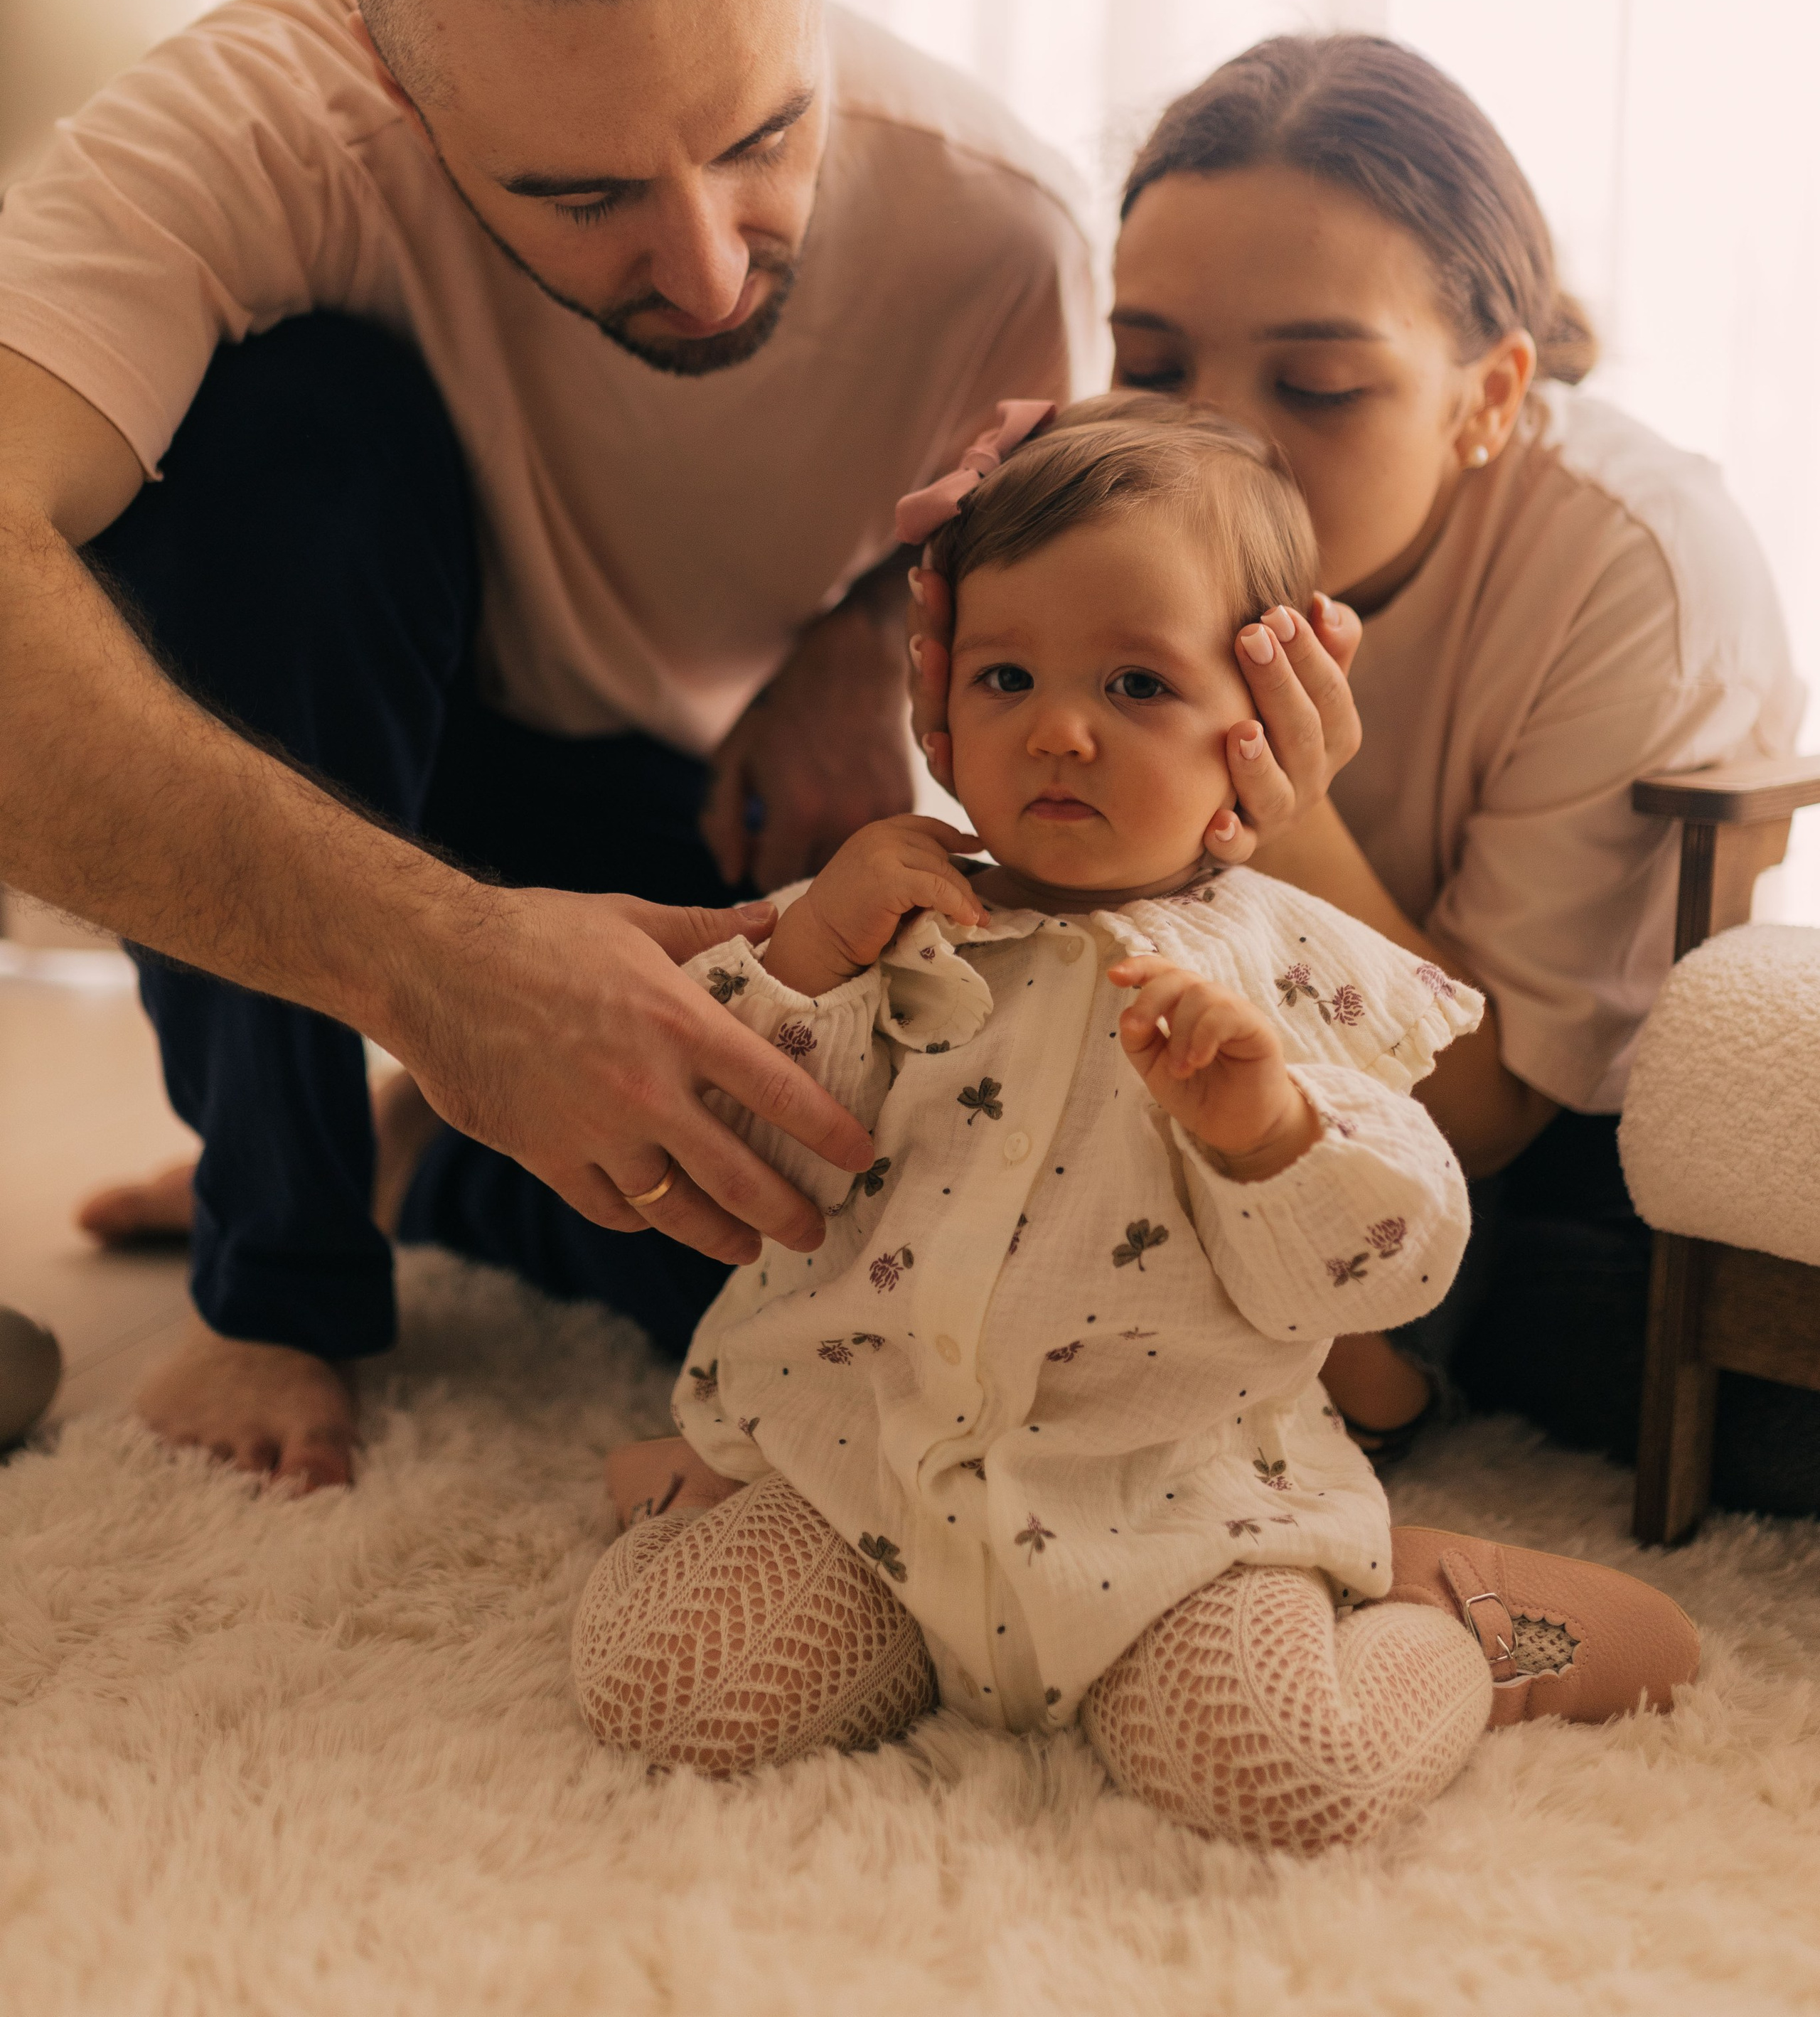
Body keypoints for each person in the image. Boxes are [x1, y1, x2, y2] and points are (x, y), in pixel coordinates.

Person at [0, 0, 1116, 1489]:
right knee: (288, 446)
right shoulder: (246, 126)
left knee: (833, 1269)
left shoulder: (1002, 227)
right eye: (581, 197)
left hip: (656, 808)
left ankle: (417, 1151)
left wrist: (862, 630)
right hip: (336, 726)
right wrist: (443, 974)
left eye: (760, 136)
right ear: (385, 61)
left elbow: (1077, 648)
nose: (702, 270)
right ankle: (274, 1266)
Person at [572, 397, 1698, 1853]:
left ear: (1260, 721)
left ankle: (1443, 1616)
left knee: (1295, 1780)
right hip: (869, 1474)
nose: (1055, 727)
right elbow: (723, 1149)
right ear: (937, 703)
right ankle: (717, 1478)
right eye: (1006, 675)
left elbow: (1399, 1258)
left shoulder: (1290, 967)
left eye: (1133, 685)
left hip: (1169, 1521)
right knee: (659, 1687)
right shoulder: (870, 918)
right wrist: (800, 970)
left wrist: (1267, 1133)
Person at [911, 33, 1811, 1509]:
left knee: (1662, 1374)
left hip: (1494, 1115)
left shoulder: (1630, 569)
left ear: (1485, 398)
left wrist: (1279, 812)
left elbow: (1480, 1118)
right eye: (1147, 363)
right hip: (1170, 1037)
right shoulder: (1115, 502)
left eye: (1317, 384)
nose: (1210, 429)